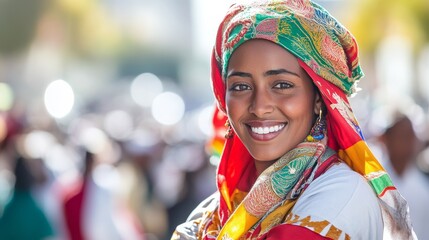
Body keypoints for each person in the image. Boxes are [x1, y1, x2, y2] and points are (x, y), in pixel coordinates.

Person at [172, 0, 416, 239]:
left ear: (319, 97)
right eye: (240, 86)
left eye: (282, 85)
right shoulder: (215, 211)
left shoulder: (342, 195)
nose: (259, 107)